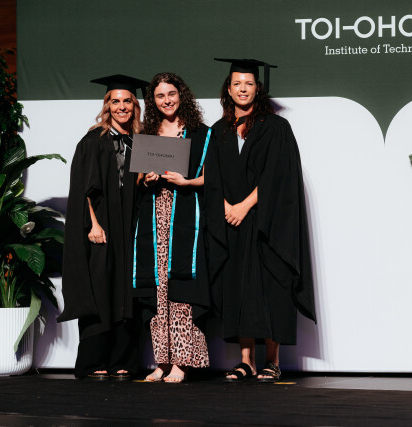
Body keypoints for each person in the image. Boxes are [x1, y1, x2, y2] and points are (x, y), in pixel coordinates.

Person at [204, 58, 316, 382]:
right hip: (231, 223)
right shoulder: (218, 130)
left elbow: (278, 175)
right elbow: (212, 176)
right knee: (238, 289)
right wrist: (226, 205)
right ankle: (245, 361)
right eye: (237, 84)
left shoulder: (276, 127)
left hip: (266, 222)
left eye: (249, 84)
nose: (243, 89)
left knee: (271, 287)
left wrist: (244, 205)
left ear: (258, 88)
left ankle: (272, 360)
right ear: (228, 89)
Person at [58, 74, 147, 380]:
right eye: (115, 101)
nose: (122, 107)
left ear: (135, 106)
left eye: (127, 101)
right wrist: (93, 225)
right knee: (100, 288)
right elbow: (83, 188)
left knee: (127, 289)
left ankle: (124, 360)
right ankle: (93, 359)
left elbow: (138, 185)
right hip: (103, 225)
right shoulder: (94, 140)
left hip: (130, 225)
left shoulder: (140, 141)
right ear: (107, 105)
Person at [134, 72, 212, 383]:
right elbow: (139, 179)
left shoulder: (201, 134)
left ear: (182, 95)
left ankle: (182, 361)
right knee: (159, 289)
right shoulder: (148, 133)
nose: (167, 100)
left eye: (171, 94)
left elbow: (215, 177)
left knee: (181, 288)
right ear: (153, 101)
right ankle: (162, 361)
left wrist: (188, 182)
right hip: (155, 216)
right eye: (160, 96)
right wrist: (148, 178)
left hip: (186, 215)